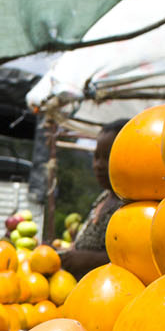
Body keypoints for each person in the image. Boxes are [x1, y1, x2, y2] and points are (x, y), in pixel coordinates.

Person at [59, 119, 130, 277]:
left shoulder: (130, 204)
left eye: (107, 157)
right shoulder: (103, 197)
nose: (98, 164)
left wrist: (89, 260)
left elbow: (131, 258)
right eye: (96, 156)